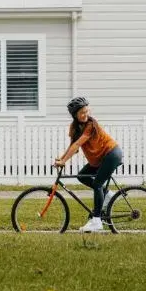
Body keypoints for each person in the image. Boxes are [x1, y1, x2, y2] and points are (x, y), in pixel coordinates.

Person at [54, 97, 123, 232]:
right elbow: (73, 146)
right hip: (100, 158)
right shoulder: (74, 127)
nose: (85, 115)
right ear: (75, 115)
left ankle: (96, 221)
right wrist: (61, 160)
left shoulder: (90, 125)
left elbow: (78, 144)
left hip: (111, 154)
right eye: (82, 113)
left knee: (97, 184)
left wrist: (63, 161)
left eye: (87, 111)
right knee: (82, 176)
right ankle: (108, 194)